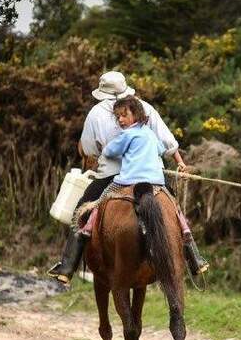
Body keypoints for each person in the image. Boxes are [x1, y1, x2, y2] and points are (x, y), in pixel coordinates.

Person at [48, 71, 208, 283]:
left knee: (81, 210)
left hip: (114, 177)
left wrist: (104, 151)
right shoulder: (145, 108)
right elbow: (168, 143)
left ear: (103, 93)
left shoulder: (96, 113)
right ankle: (193, 257)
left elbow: (88, 149)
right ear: (125, 89)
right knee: (174, 209)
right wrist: (180, 162)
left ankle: (67, 267)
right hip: (153, 176)